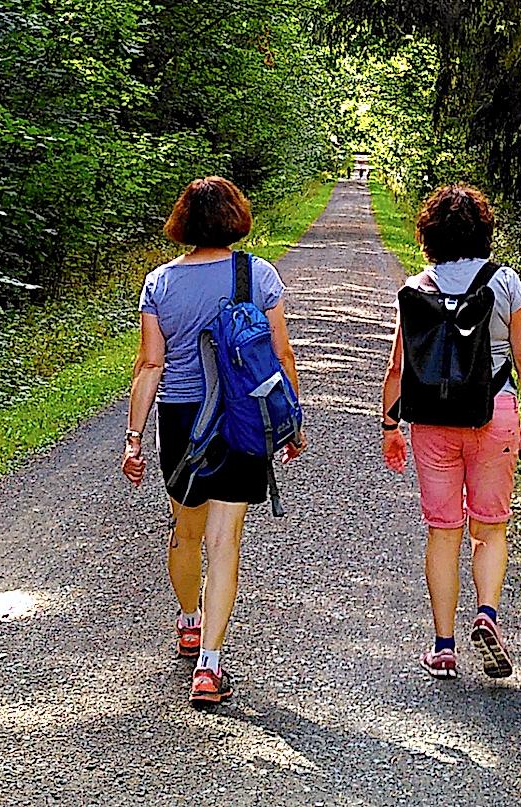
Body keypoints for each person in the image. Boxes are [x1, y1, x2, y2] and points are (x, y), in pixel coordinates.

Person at [122, 176, 305, 707]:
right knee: (225, 540)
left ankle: (188, 621)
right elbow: (280, 357)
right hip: (245, 419)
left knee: (185, 530)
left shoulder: (159, 283)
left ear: (184, 222)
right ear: (234, 218)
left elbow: (149, 364)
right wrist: (291, 422)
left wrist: (133, 439)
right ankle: (210, 666)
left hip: (183, 420)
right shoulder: (259, 275)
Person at [380, 184, 521, 681]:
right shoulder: (506, 283)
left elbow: (397, 368)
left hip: (432, 421)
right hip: (494, 412)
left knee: (443, 530)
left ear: (429, 234)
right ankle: (488, 614)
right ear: (484, 231)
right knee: (490, 526)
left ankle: (444, 646)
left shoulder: (416, 288)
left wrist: (391, 425)